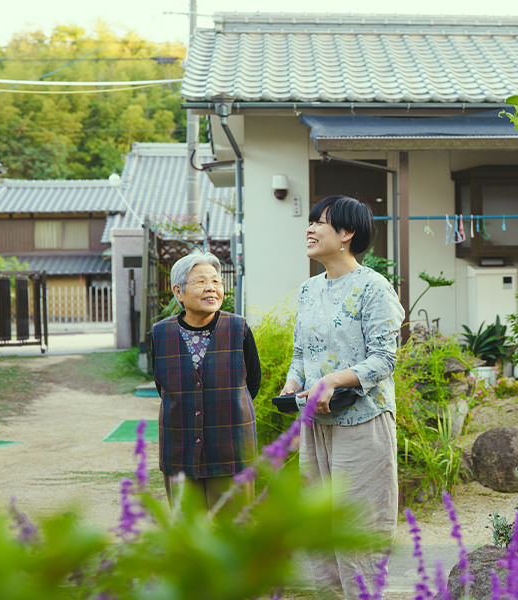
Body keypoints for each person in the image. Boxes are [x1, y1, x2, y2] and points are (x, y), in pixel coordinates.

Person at [281, 195, 405, 600]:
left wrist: (334, 379)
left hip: (363, 422)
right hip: (317, 424)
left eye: (321, 222)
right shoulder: (308, 289)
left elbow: (385, 358)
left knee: (359, 529)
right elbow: (301, 353)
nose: (311, 228)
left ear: (347, 234)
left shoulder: (374, 287)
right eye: (311, 221)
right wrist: (291, 384)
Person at [151, 250, 260, 513]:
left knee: (234, 530)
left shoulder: (238, 329)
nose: (211, 288)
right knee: (188, 534)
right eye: (201, 282)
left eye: (216, 282)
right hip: (179, 446)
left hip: (231, 448)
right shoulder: (160, 333)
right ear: (179, 292)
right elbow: (163, 387)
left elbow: (251, 384)